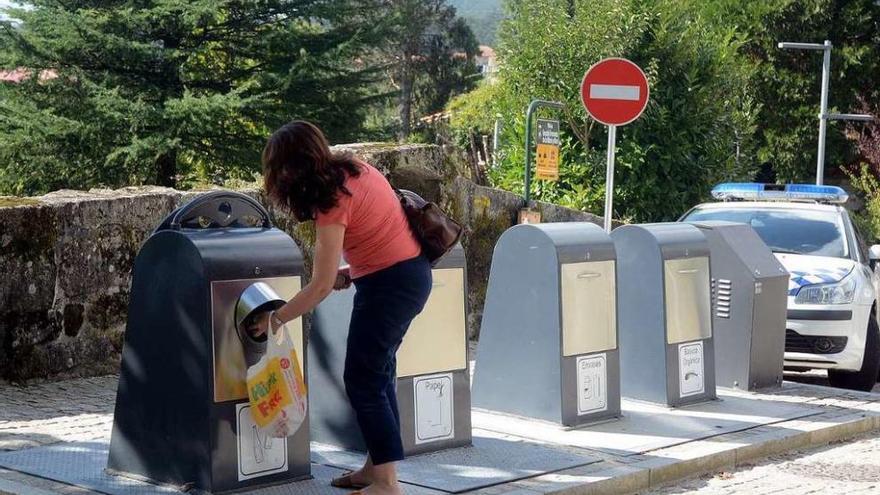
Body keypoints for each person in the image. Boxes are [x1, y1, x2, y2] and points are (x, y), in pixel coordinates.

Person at [251, 120, 432, 495]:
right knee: (378, 377)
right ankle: (375, 468)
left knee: (363, 380)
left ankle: (386, 483)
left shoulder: (332, 201)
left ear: (291, 169)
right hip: (403, 276)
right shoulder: (356, 170)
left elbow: (318, 287)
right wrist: (351, 270)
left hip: (390, 287)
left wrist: (276, 318)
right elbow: (380, 232)